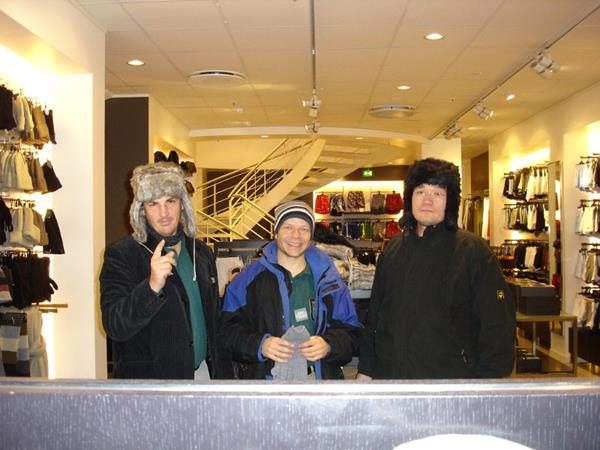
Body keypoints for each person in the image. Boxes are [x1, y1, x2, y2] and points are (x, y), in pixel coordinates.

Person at [357, 158, 516, 380]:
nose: (427, 200)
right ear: (410, 197)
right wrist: (366, 369)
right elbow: (375, 315)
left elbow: (497, 325)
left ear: (449, 201)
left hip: (451, 382)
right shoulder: (393, 248)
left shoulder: (473, 251)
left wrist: (486, 382)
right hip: (392, 379)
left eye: (438, 193)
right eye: (421, 191)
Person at [100, 162, 228, 380]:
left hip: (202, 376)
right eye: (153, 204)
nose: (164, 212)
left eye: (170, 201)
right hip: (151, 386)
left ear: (182, 204)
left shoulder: (201, 253)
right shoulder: (122, 255)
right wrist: (151, 287)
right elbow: (114, 325)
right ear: (141, 210)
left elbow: (213, 321)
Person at [219, 200, 362, 380]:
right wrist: (260, 345)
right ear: (275, 231)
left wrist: (329, 345)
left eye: (304, 229)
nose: (296, 235)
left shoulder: (329, 280)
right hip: (268, 384)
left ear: (311, 235)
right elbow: (226, 332)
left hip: (317, 382)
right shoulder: (247, 280)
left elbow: (354, 334)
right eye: (288, 227)